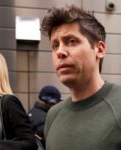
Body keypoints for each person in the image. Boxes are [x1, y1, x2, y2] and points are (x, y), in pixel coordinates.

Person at [41, 4, 121, 150]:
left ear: (100, 49)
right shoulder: (53, 116)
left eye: (71, 41)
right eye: (55, 45)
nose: (60, 52)